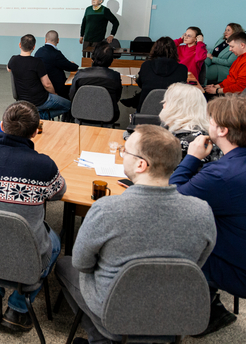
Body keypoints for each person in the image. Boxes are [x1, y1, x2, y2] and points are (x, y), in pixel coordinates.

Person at [56, 125, 216, 344]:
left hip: (114, 311)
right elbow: (196, 265)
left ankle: (100, 337)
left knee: (64, 265)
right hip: (173, 312)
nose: (122, 154)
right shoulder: (203, 212)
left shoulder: (106, 210)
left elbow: (82, 263)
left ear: (141, 164)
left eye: (125, 151)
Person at [171, 94, 246, 337]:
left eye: (211, 120)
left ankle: (205, 313)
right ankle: (209, 304)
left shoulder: (224, 174)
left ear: (223, 130)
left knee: (173, 241)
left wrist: (193, 157)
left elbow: (173, 199)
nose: (209, 122)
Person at [0, 100, 65, 332]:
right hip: (25, 259)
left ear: (2, 126)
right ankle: (18, 308)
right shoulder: (44, 165)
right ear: (34, 133)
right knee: (55, 242)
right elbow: (59, 193)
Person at [7, 34, 71, 120]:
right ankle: (40, 116)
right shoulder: (37, 62)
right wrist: (54, 94)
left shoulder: (13, 59)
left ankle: (35, 115)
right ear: (33, 47)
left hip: (23, 101)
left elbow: (8, 69)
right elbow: (47, 84)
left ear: (20, 45)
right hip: (40, 100)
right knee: (69, 105)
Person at [158, 83, 222, 164]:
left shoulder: (182, 141)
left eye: (166, 102)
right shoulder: (208, 132)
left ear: (176, 107)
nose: (163, 105)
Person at [122, 36, 188, 112]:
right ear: (175, 51)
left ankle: (134, 100)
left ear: (155, 49)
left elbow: (141, 84)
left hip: (145, 109)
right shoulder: (182, 69)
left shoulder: (146, 65)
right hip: (172, 111)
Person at [69, 42, 122, 124]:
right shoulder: (115, 76)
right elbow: (117, 97)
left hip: (81, 115)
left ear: (93, 57)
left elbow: (72, 95)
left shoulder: (80, 75)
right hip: (107, 116)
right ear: (111, 60)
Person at [203, 31, 246, 96]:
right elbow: (231, 79)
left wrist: (217, 91)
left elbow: (241, 88)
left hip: (242, 97)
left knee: (204, 96)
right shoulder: (242, 57)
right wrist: (217, 86)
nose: (230, 49)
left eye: (232, 46)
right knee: (204, 91)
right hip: (234, 91)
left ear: (242, 45)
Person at [34, 30, 79, 100]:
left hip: (41, 86)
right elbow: (71, 67)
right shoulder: (56, 54)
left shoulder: (38, 52)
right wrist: (72, 64)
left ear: (45, 40)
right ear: (58, 40)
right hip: (56, 88)